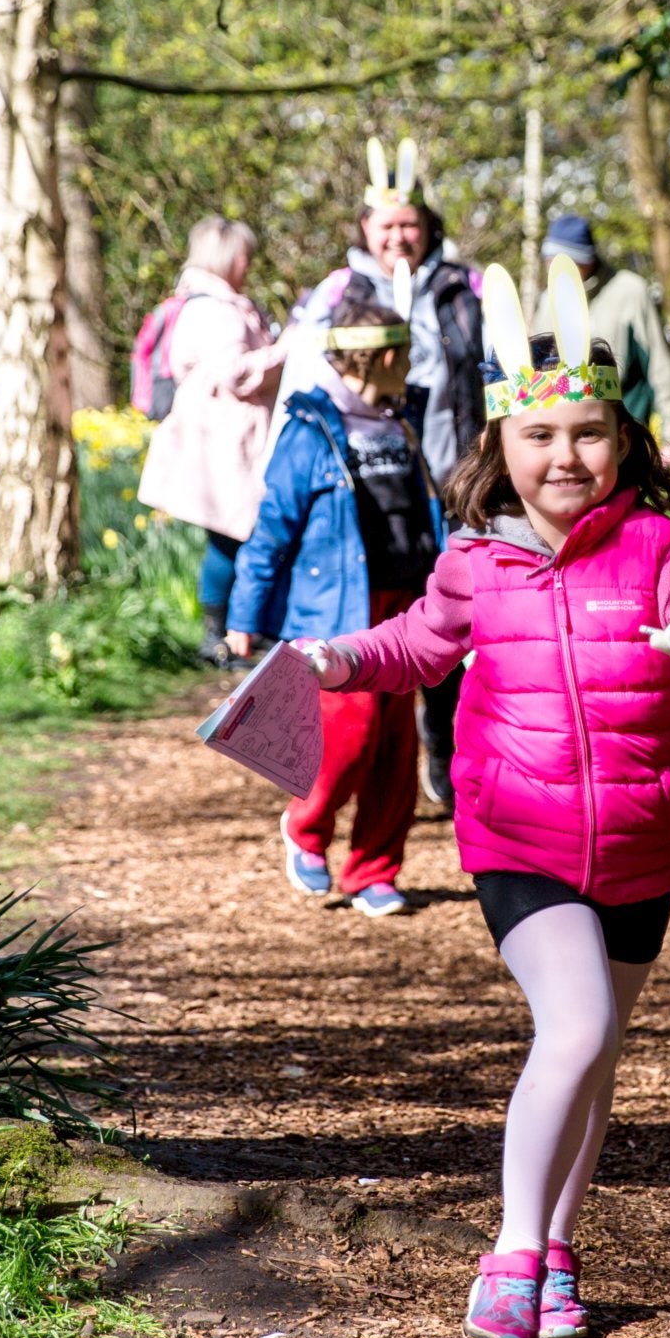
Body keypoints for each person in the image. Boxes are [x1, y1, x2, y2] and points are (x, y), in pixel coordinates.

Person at [287, 258, 670, 1338]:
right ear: (499, 453)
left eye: (589, 436)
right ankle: (513, 1253)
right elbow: (416, 646)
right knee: (579, 1026)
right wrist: (334, 661)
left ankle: (560, 1252)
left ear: (626, 443)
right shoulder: (474, 565)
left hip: (644, 845)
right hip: (518, 838)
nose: (566, 458)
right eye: (540, 439)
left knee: (594, 1055)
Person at [280, 137, 487, 805]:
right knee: (387, 626)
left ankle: (443, 750)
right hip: (371, 482)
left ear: (429, 228)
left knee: (456, 618)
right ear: (366, 229)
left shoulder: (464, 287)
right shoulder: (339, 292)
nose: (400, 237)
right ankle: (346, 777)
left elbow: (492, 370)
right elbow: (303, 376)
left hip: (452, 474)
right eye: (387, 226)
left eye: (411, 225)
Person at [224, 289, 441, 919]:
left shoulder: (403, 422)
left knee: (399, 750)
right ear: (377, 359)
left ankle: (375, 870)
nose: (411, 364)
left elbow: (429, 516)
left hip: (408, 610)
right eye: (403, 353)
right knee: (352, 734)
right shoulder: (311, 429)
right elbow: (271, 531)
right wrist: (245, 615)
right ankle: (307, 828)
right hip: (338, 613)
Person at [135, 216, 288, 668]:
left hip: (224, 440)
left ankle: (234, 632)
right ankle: (219, 636)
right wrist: (290, 347)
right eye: (244, 254)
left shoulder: (212, 303)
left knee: (234, 536)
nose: (249, 263)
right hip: (222, 444)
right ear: (226, 256)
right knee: (230, 536)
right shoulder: (214, 310)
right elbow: (234, 374)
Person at [531, 214, 670, 447]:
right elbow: (536, 376)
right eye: (550, 260)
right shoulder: (549, 301)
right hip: (565, 441)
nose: (552, 267)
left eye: (563, 260)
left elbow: (661, 366)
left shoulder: (630, 291)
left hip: (625, 436)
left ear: (585, 260)